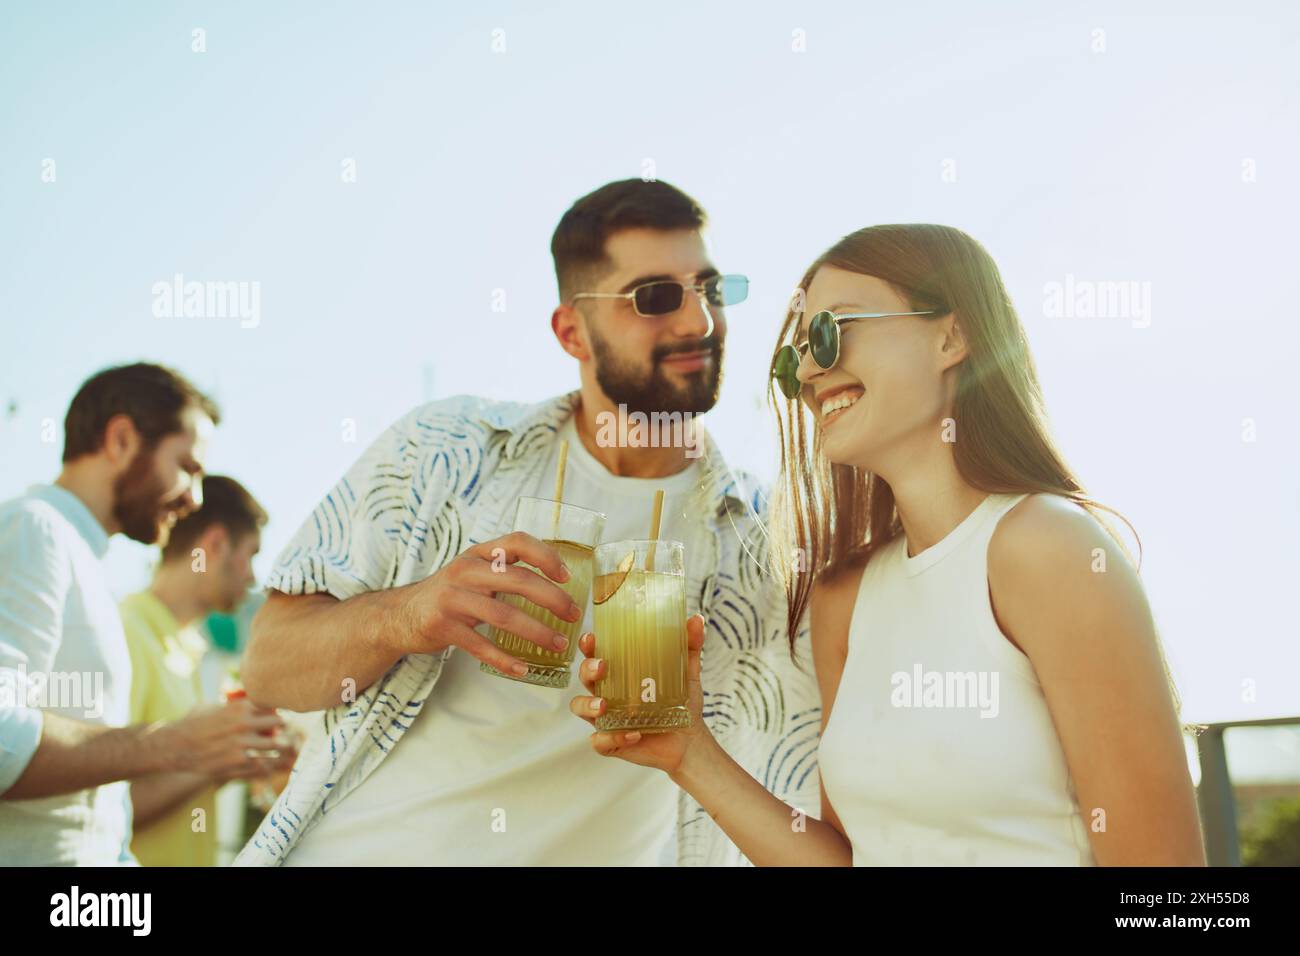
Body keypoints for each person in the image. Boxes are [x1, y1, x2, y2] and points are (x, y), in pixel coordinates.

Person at [570, 223, 1206, 866]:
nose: (813, 371)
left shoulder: (1048, 549)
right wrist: (689, 752)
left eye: (833, 331)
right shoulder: (845, 598)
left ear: (950, 336)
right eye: (797, 357)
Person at [234, 179, 821, 866]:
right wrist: (407, 616)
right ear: (572, 331)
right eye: (656, 297)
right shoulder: (445, 449)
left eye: (712, 290)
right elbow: (269, 667)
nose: (699, 322)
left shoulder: (768, 540)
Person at [0, 363, 293, 865]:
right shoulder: (35, 529)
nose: (193, 498)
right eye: (186, 466)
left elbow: (98, 818)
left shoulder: (79, 555)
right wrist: (176, 744)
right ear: (120, 440)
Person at [123, 474, 273, 866]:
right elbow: (99, 807)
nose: (254, 577)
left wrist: (237, 762)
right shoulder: (125, 632)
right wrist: (216, 761)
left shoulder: (195, 649)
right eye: (252, 555)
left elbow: (177, 781)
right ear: (216, 545)